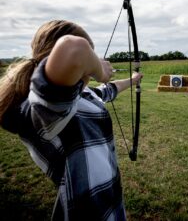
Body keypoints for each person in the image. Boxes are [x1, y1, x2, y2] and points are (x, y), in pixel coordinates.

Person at [0, 20, 143, 220]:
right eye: (91, 57)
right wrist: (100, 71)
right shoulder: (41, 108)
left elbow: (108, 91)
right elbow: (74, 49)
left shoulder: (82, 95)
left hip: (111, 205)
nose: (91, 64)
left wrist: (133, 79)